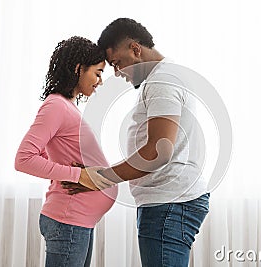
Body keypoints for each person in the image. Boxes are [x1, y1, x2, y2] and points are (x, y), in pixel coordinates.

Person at [63, 18, 210, 267]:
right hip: (168, 204)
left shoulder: (163, 81)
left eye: (117, 63)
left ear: (135, 48)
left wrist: (98, 179)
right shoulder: (162, 77)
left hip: (169, 205)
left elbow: (157, 152)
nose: (117, 73)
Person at [15, 36, 117, 267]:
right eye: (98, 73)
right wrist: (77, 175)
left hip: (78, 220)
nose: (100, 81)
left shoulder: (66, 106)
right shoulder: (56, 106)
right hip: (68, 219)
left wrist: (65, 170)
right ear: (78, 68)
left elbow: (46, 154)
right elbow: (24, 159)